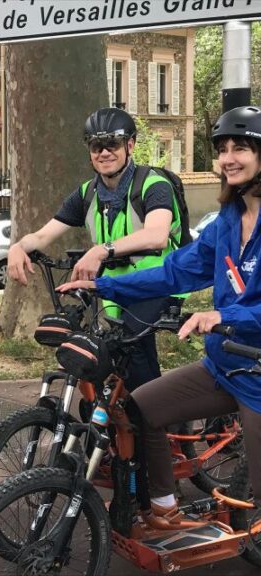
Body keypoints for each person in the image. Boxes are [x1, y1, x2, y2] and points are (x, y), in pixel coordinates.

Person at [57, 105, 261, 525]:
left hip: (258, 374)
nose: (227, 158)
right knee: (139, 409)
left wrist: (224, 315)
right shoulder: (229, 218)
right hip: (225, 366)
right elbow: (174, 271)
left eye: (240, 147)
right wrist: (105, 286)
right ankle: (165, 509)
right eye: (222, 149)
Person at [7, 107, 185, 391]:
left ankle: (157, 424)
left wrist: (101, 250)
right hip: (115, 286)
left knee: (133, 349)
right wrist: (18, 247)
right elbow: (42, 235)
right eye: (96, 146)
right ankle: (118, 424)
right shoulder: (87, 193)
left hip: (160, 283)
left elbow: (157, 235)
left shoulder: (154, 185)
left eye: (112, 144)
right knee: (100, 355)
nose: (104, 153)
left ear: (130, 144)